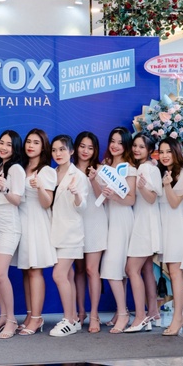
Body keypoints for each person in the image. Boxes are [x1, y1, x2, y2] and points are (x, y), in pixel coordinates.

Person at [16, 129, 56, 335]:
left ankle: (37, 318)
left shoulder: (46, 171)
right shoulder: (21, 167)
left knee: (35, 271)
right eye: (28, 141)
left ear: (43, 147)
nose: (31, 145)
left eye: (36, 142)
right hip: (21, 221)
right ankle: (30, 314)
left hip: (37, 223)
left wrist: (39, 187)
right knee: (26, 270)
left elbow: (47, 202)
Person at [48, 135, 88, 337]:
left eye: (62, 149)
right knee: (68, 276)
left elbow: (83, 207)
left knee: (59, 275)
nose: (58, 154)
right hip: (55, 232)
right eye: (55, 150)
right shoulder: (51, 173)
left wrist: (77, 194)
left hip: (71, 233)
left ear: (71, 151)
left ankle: (68, 320)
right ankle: (73, 319)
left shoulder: (78, 176)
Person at [96, 127, 136, 334]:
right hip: (107, 218)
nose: (115, 145)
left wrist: (114, 196)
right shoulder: (105, 166)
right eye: (113, 141)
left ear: (126, 145)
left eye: (120, 142)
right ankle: (122, 311)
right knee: (119, 270)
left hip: (121, 219)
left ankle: (123, 314)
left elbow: (131, 199)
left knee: (112, 267)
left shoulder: (129, 168)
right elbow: (100, 197)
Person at [123, 132, 162, 333]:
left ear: (150, 150)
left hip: (145, 224)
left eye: (142, 147)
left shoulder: (146, 168)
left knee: (132, 269)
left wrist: (142, 187)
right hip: (143, 220)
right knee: (146, 269)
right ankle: (153, 312)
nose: (137, 149)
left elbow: (152, 198)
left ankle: (140, 317)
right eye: (135, 145)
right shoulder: (144, 167)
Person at [0, 130, 25, 338]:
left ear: (15, 148)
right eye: (2, 143)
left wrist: (5, 189)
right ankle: (3, 316)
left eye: (9, 144)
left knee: (1, 274)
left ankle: (11, 319)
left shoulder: (16, 169)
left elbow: (17, 200)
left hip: (9, 225)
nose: (4, 147)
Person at [74, 131, 107, 332]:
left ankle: (94, 314)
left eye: (90, 147)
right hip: (75, 224)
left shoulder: (101, 169)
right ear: (76, 147)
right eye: (82, 146)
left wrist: (94, 179)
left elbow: (103, 198)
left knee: (91, 270)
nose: (85, 151)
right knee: (78, 270)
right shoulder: (68, 169)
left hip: (95, 222)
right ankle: (80, 312)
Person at [157, 138, 183, 336]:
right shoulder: (161, 172)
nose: (164, 155)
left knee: (176, 274)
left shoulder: (182, 174)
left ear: (176, 152)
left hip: (177, 227)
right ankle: (180, 314)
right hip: (165, 226)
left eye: (168, 151)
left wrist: (168, 186)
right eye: (161, 152)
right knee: (172, 273)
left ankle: (178, 317)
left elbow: (175, 203)